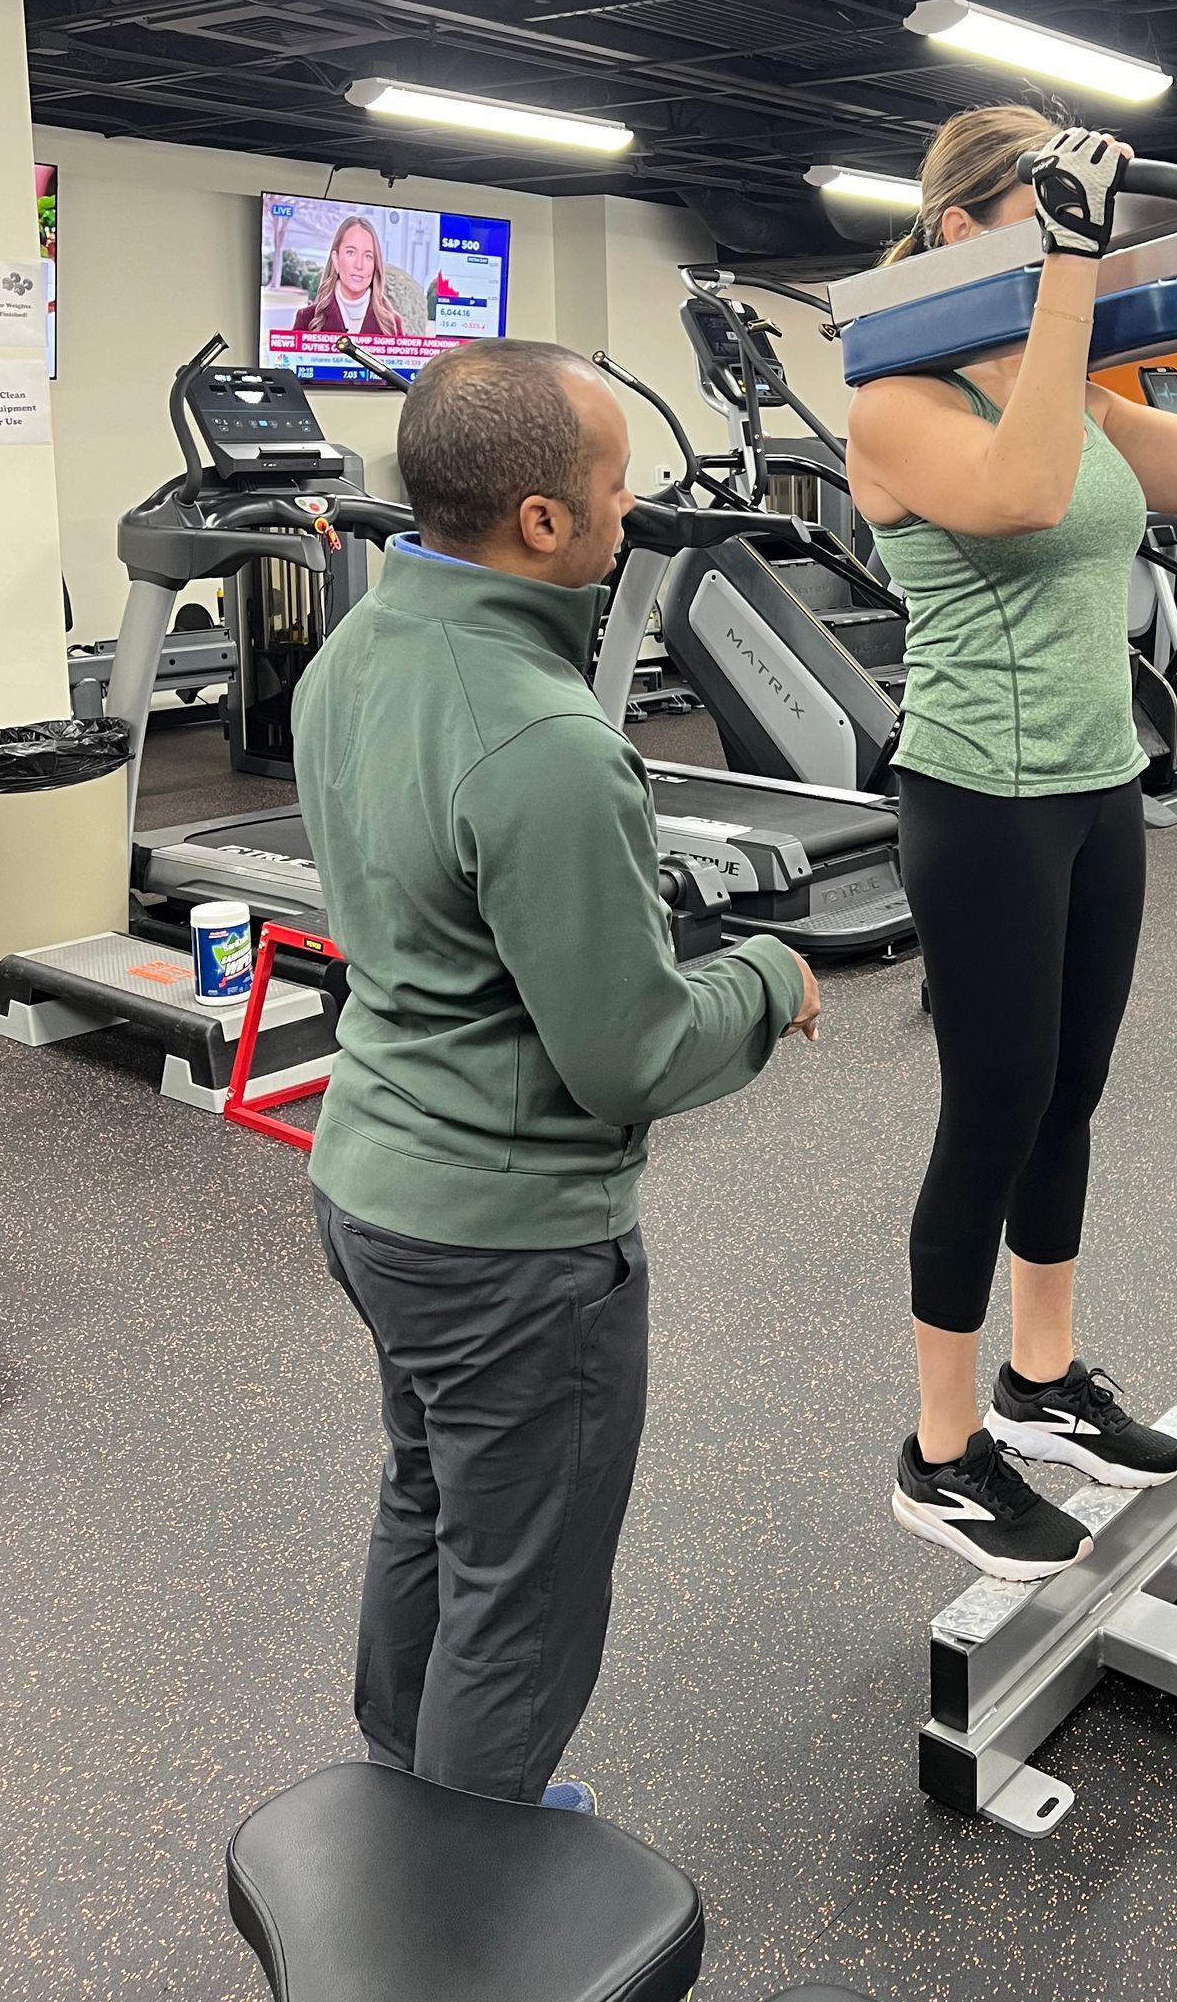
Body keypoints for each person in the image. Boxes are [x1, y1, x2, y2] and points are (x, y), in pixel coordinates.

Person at [293, 340, 820, 1809]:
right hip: (508, 1249)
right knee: (521, 1595)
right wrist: (769, 981)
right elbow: (629, 1053)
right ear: (540, 522)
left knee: (433, 1497)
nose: (628, 502)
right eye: (610, 483)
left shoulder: (356, 655)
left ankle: (409, 1799)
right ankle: (468, 1884)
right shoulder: (548, 741)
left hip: (370, 1191)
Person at [845, 106, 1177, 1583]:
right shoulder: (899, 400)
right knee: (990, 1114)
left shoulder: (1081, 387)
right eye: (1056, 213)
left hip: (1097, 790)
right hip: (979, 803)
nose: (1090, 241)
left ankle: (1042, 1378)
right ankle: (938, 1456)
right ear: (959, 230)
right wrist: (1067, 263)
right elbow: (1025, 493)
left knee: (1074, 1094)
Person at [293, 214, 407, 343]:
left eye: (368, 256)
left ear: (375, 265)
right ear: (336, 259)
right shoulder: (307, 319)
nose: (359, 265)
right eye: (351, 252)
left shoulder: (392, 324)